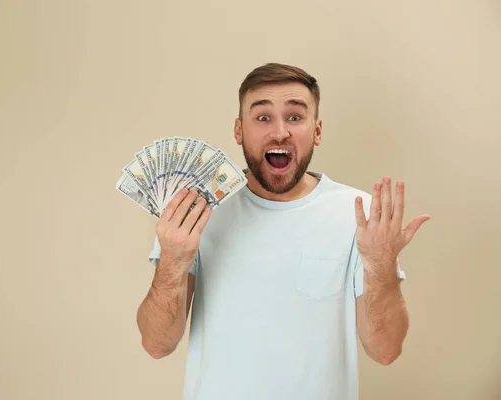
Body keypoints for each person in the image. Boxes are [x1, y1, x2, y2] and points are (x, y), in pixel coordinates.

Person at [136, 62, 430, 400]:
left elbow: (385, 350)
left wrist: (381, 266)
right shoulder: (196, 209)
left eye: (294, 117)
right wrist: (173, 259)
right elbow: (157, 344)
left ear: (317, 131)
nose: (280, 133)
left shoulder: (359, 215)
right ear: (238, 131)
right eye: (263, 118)